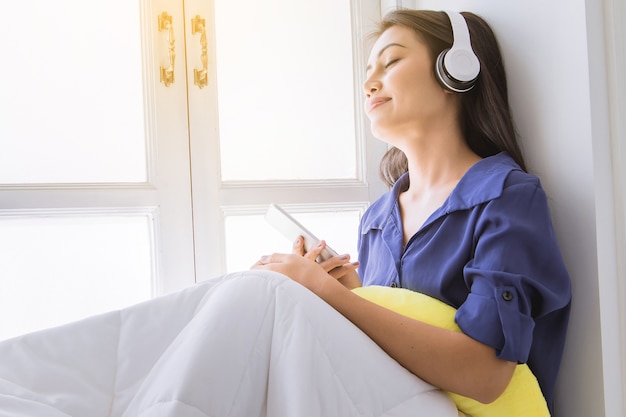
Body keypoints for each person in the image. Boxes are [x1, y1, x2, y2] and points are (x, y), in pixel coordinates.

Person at [252, 9, 571, 416]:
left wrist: (329, 294)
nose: (368, 83)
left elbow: (486, 376)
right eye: (369, 70)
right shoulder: (377, 220)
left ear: (455, 72)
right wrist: (348, 290)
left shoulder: (505, 197)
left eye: (392, 61)